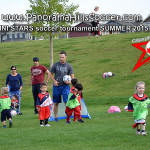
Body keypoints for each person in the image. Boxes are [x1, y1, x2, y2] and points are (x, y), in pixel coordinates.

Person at [50, 51, 74, 122]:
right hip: (57, 87)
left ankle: (68, 117)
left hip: (65, 87)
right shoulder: (55, 65)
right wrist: (54, 81)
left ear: (66, 57)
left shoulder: (69, 66)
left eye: (63, 57)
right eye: (60, 57)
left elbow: (72, 77)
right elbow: (50, 74)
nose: (61, 59)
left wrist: (70, 82)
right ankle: (56, 118)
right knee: (56, 102)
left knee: (66, 102)